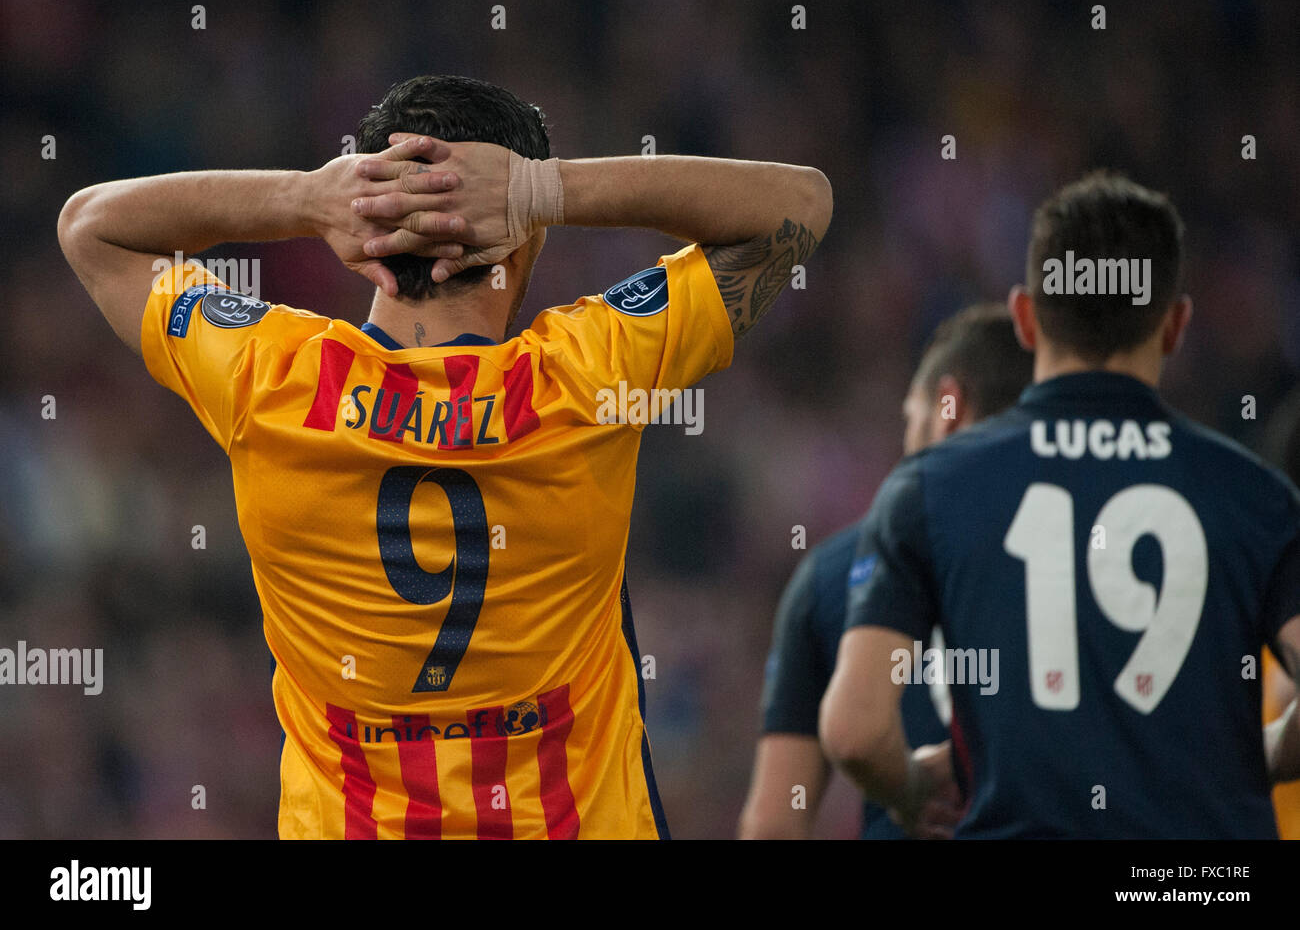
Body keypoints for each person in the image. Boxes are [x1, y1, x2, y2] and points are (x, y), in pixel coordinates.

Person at [58, 73, 832, 839]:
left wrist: (303, 199)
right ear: (522, 242)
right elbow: (800, 207)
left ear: (365, 230)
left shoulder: (271, 378)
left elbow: (91, 226)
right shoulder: (588, 374)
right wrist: (551, 189)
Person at [820, 171, 1300, 838]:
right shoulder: (1255, 495)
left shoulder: (929, 488)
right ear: (1176, 325)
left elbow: (854, 730)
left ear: (1023, 317)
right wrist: (1269, 751)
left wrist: (906, 790)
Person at [739, 304, 1031, 839]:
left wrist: (911, 790)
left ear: (948, 406)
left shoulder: (832, 575)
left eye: (909, 417)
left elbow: (773, 824)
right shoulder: (1095, 555)